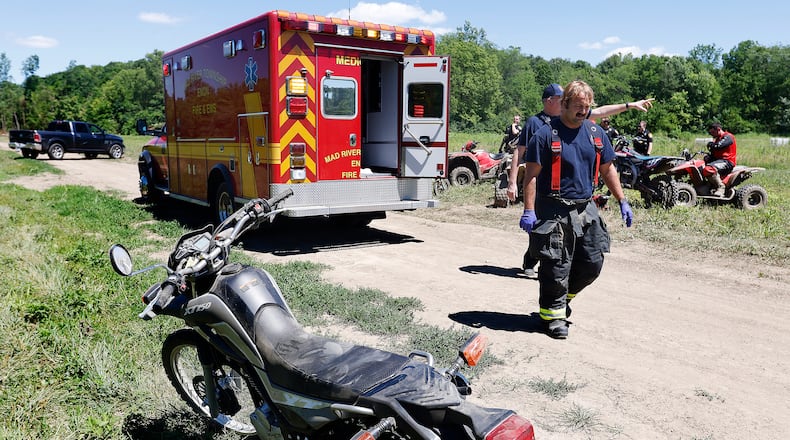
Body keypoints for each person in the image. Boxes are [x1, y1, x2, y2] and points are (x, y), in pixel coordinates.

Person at [519, 80, 633, 339]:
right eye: (578, 107)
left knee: (592, 261)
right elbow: (531, 176)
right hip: (553, 209)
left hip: (586, 208)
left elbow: (608, 169)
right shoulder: (545, 135)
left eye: (587, 107)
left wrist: (622, 200)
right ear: (564, 104)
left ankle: (561, 299)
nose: (583, 111)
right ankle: (552, 316)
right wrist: (529, 209)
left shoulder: (595, 134)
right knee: (557, 264)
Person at [506, 83, 652, 278]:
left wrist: (630, 105)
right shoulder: (536, 123)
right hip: (546, 190)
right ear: (554, 101)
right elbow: (520, 152)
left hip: (576, 193)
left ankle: (557, 280)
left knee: (580, 252)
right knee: (546, 240)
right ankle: (534, 264)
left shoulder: (579, 119)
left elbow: (601, 111)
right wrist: (514, 183)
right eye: (560, 98)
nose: (584, 110)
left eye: (586, 107)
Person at [703, 122, 737, 196]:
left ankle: (721, 187)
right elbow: (715, 151)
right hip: (719, 161)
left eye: (712, 132)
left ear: (718, 129)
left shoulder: (728, 137)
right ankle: (707, 185)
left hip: (727, 161)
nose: (711, 134)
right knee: (701, 165)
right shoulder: (717, 139)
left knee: (709, 169)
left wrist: (711, 144)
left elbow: (719, 146)